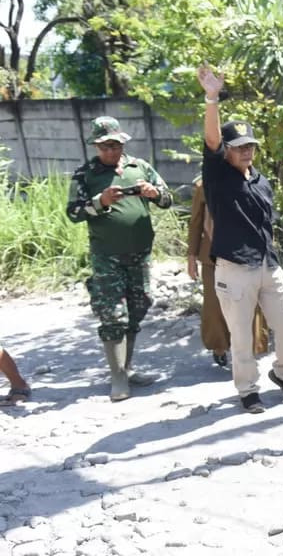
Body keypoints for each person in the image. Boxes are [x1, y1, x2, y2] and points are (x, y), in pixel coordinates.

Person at [198, 65, 283, 414]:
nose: (247, 151)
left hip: (267, 264)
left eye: (251, 146)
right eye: (239, 146)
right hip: (234, 268)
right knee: (241, 336)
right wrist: (212, 98)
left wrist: (272, 257)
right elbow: (211, 140)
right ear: (227, 150)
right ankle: (247, 390)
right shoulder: (217, 176)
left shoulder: (261, 180)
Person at [67, 116, 171, 401]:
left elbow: (168, 200)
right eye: (105, 146)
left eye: (115, 145)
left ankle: (128, 367)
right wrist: (100, 202)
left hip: (140, 253)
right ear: (96, 146)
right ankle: (118, 378)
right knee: (113, 315)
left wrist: (154, 193)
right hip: (107, 256)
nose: (111, 151)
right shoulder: (85, 175)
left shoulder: (140, 167)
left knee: (138, 307)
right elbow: (74, 213)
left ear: (123, 143)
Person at [187, 177, 269, 367]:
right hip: (212, 256)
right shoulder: (204, 185)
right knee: (215, 306)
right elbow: (196, 222)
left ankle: (249, 349)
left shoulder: (251, 180)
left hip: (247, 253)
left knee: (251, 302)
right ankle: (220, 347)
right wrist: (191, 256)